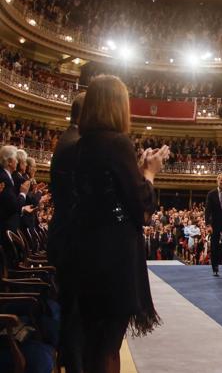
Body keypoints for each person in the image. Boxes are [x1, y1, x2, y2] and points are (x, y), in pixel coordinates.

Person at [66, 75, 167, 372]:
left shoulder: (82, 144)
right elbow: (140, 207)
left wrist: (134, 170)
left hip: (87, 254)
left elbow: (109, 191)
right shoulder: (118, 142)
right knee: (109, 347)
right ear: (116, 106)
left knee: (94, 344)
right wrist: (149, 173)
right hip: (115, 259)